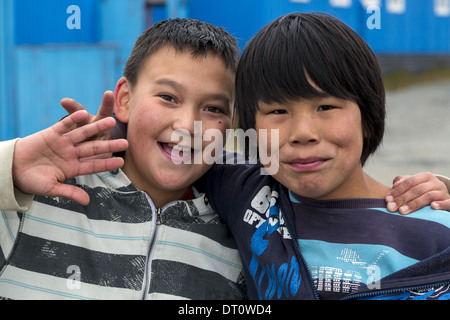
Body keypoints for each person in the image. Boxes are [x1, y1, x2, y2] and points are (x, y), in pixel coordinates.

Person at [201, 12, 450, 300]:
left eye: (326, 107)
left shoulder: (434, 235)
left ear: (367, 119)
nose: (303, 132)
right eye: (278, 111)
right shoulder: (245, 193)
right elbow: (164, 155)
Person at [0, 18, 247, 300]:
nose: (188, 125)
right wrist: (11, 164)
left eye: (213, 108)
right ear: (125, 100)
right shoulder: (33, 198)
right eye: (168, 97)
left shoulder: (241, 241)